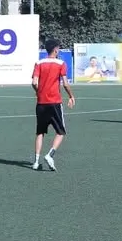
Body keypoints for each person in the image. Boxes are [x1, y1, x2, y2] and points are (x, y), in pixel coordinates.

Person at [31, 39, 74, 171]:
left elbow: (34, 82)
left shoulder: (39, 63)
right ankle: (50, 154)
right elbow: (65, 83)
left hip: (41, 103)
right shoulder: (61, 63)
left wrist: (39, 92)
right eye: (58, 48)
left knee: (40, 132)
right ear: (55, 49)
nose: (59, 50)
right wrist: (71, 96)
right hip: (55, 102)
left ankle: (36, 162)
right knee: (61, 132)